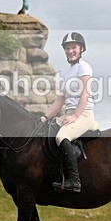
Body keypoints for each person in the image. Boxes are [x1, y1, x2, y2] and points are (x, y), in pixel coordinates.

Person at [40, 32, 98, 192]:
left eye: (73, 47)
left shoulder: (84, 67)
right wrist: (44, 118)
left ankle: (74, 180)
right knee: (46, 134)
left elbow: (86, 93)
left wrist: (75, 115)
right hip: (69, 114)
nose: (70, 51)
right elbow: (60, 100)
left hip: (84, 114)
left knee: (61, 137)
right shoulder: (67, 73)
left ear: (81, 49)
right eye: (67, 48)